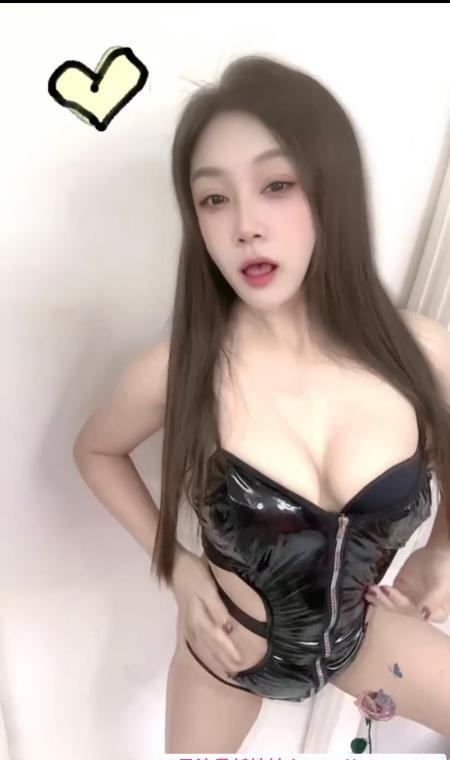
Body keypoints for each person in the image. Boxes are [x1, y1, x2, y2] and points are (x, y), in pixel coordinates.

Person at [73, 54, 450, 752]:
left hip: (364, 640)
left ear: (331, 190)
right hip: (226, 657)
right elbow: (96, 451)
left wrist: (443, 551)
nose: (244, 225)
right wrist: (179, 568)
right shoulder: (181, 368)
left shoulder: (422, 353)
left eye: (276, 185)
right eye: (214, 199)